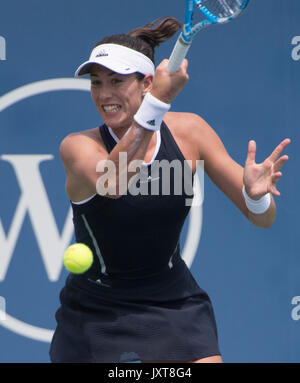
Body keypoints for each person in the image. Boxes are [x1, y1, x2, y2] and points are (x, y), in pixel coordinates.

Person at [49, 17, 290, 363]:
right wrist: (158, 102)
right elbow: (114, 182)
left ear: (146, 83)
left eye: (116, 82)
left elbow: (263, 219)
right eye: (96, 83)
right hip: (96, 312)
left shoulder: (190, 133)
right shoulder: (78, 147)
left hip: (174, 302)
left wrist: (255, 195)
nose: (103, 95)